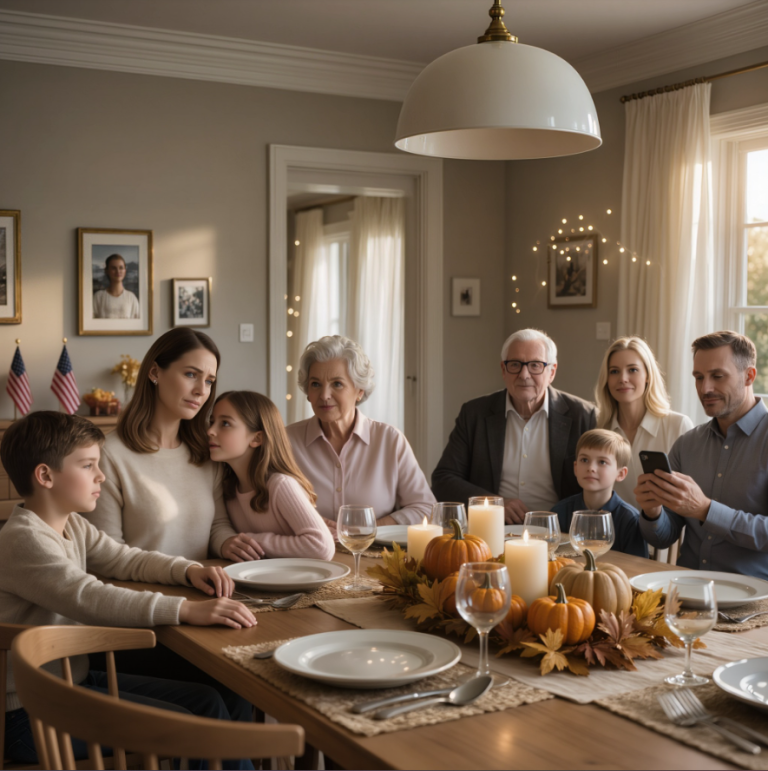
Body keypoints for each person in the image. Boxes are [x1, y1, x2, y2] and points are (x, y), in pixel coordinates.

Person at [0, 411, 256, 769]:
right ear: (45, 475)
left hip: (73, 681)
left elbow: (125, 558)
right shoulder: (24, 540)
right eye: (88, 465)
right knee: (193, 723)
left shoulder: (72, 524)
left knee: (213, 699)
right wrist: (185, 609)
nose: (100, 475)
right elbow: (89, 597)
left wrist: (188, 570)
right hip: (28, 714)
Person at [88, 328, 260, 563]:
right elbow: (106, 555)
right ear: (154, 372)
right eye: (191, 374)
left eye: (209, 381)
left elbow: (217, 524)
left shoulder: (207, 451)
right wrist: (183, 573)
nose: (201, 390)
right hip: (139, 587)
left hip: (203, 583)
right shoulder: (110, 455)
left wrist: (227, 542)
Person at [636, 331, 768, 579]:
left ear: (749, 376)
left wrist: (706, 510)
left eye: (717, 376)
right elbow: (663, 538)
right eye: (699, 377)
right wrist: (652, 512)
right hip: (685, 589)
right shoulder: (687, 444)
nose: (705, 388)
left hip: (755, 596)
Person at [432, 328, 596, 524]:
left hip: (561, 530)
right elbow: (444, 479)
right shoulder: (474, 414)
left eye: (535, 365)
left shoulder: (583, 416)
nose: (524, 374)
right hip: (492, 528)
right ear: (503, 370)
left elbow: (601, 482)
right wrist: (493, 505)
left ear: (551, 372)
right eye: (515, 365)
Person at [286, 335, 435, 532]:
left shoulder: (389, 440)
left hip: (374, 549)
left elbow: (425, 508)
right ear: (307, 392)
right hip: (309, 549)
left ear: (359, 391)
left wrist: (367, 530)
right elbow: (265, 507)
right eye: (315, 384)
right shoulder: (286, 441)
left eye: (337, 384)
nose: (324, 395)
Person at [208, 391, 335, 560]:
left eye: (225, 423)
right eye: (212, 422)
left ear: (257, 438)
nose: (210, 431)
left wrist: (249, 541)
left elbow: (321, 547)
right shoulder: (228, 488)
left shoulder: (281, 485)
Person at [595, 336, 693, 507]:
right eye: (614, 371)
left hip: (664, 524)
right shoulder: (599, 429)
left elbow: (690, 496)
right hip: (613, 524)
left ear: (648, 375)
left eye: (632, 370)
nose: (623, 378)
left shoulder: (678, 425)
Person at [551, 429, 647, 558]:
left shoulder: (630, 520)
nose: (591, 468)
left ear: (621, 473)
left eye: (602, 462)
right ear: (576, 468)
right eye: (584, 460)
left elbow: (638, 566)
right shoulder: (559, 512)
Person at [92, 253, 140, 319]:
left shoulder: (131, 298)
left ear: (125, 271)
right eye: (113, 268)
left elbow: (137, 322)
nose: (118, 271)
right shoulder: (98, 297)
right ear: (107, 271)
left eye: (121, 268)